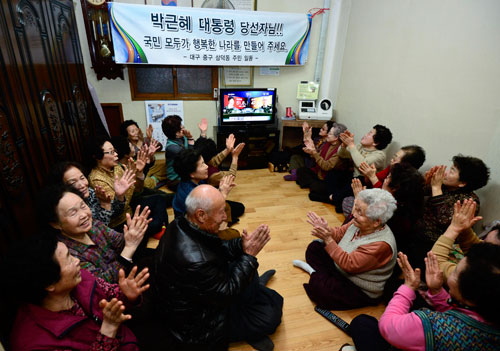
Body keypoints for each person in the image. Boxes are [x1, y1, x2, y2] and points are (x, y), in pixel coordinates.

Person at [153, 185, 283, 351]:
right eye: (221, 212)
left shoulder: (180, 222)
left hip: (202, 293)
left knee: (245, 268)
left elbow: (216, 247)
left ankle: (253, 293)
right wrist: (249, 257)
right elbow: (227, 293)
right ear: (201, 215)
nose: (224, 217)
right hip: (199, 326)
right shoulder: (197, 262)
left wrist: (241, 245)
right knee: (270, 315)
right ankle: (250, 326)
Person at [4, 234, 150, 350]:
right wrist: (108, 331)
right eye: (68, 258)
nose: (76, 261)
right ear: (50, 284)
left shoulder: (79, 280)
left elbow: (111, 297)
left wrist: (128, 296)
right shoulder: (34, 343)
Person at [293, 188, 397, 310]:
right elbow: (339, 234)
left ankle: (318, 276)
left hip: (358, 287)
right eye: (356, 209)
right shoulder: (358, 223)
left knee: (321, 291)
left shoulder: (381, 244)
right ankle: (323, 277)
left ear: (376, 222)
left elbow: (349, 264)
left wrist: (328, 239)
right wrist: (327, 230)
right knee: (314, 248)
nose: (355, 215)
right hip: (342, 268)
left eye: (360, 213)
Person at [37, 184, 151, 283]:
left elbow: (120, 242)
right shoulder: (68, 254)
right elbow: (101, 283)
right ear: (56, 224)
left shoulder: (94, 225)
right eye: (73, 213)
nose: (83, 215)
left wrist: (132, 233)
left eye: (83, 206)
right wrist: (129, 247)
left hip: (129, 271)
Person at [411, 154, 490, 266]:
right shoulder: (445, 186)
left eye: (452, 171)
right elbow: (418, 194)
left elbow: (445, 221)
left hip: (435, 246)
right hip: (417, 235)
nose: (446, 173)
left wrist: (436, 188)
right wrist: (426, 182)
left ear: (462, 183)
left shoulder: (470, 201)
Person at [324, 125, 393, 211]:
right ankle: (334, 198)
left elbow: (362, 165)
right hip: (352, 178)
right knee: (333, 174)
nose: (365, 134)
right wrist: (344, 145)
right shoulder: (360, 146)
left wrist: (352, 145)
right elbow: (342, 154)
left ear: (376, 142)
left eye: (370, 133)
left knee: (359, 179)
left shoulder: (380, 155)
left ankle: (333, 198)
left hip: (365, 184)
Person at [432, 198, 500, 281]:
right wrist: (465, 229)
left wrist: (454, 228)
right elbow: (476, 249)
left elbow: (434, 264)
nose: (481, 243)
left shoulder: (481, 277)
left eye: (485, 243)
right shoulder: (490, 258)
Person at [48, 161, 134, 226]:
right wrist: (105, 206)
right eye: (72, 183)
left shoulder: (90, 192)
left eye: (82, 178)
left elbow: (116, 212)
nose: (82, 185)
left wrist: (119, 196)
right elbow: (97, 231)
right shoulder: (69, 206)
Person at [172, 148, 243, 224]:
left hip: (201, 210)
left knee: (239, 208)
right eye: (202, 165)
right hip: (193, 225)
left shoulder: (192, 179)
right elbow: (207, 217)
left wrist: (221, 189)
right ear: (191, 174)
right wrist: (223, 193)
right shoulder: (192, 195)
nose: (207, 166)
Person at [295, 122, 348, 189]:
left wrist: (314, 153)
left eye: (330, 133)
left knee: (315, 188)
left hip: (328, 178)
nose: (327, 135)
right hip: (318, 173)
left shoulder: (340, 150)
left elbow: (326, 166)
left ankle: (312, 185)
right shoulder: (327, 143)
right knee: (301, 170)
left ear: (336, 138)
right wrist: (311, 153)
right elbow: (318, 157)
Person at [162, 115, 208, 191]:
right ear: (176, 133)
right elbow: (191, 157)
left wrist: (203, 132)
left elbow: (197, 148)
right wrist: (190, 139)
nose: (184, 128)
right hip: (175, 181)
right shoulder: (171, 148)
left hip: (187, 175)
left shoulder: (183, 138)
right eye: (181, 127)